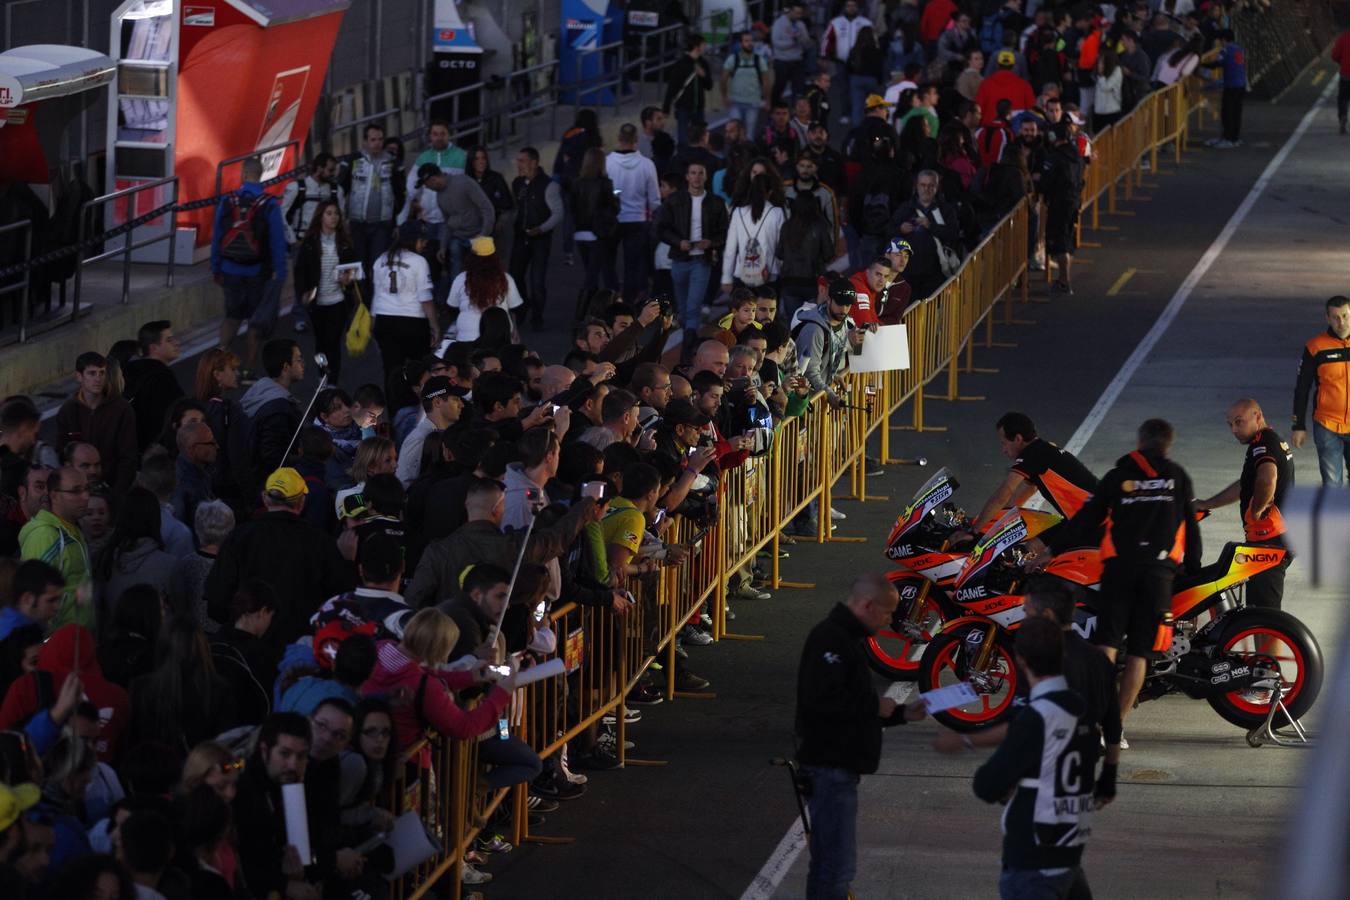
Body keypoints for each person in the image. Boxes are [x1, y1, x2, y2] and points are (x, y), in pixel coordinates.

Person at [1032, 419, 1201, 740]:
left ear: (1140, 442)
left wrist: (1050, 551)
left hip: (1119, 573)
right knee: (1139, 653)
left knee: (1106, 647)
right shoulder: (1177, 477)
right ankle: (1115, 729)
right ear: (1168, 445)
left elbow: (1084, 520)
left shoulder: (1116, 477)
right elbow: (1191, 529)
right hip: (1157, 576)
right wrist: (1192, 569)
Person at [794, 572, 924, 899]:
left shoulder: (844, 640)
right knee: (835, 867)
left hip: (838, 767)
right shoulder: (830, 639)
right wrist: (874, 705)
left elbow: (852, 704)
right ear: (867, 605)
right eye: (887, 612)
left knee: (832, 864)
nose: (890, 620)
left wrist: (901, 713)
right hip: (830, 768)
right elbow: (822, 699)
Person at [972, 617, 1101, 900]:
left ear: (1020, 660)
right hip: (1069, 847)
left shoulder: (1035, 716)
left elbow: (987, 784)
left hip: (1034, 857)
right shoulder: (1080, 709)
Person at [205, 467, 355, 653]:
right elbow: (341, 598)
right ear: (302, 501)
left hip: (249, 651)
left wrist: (243, 626)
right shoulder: (321, 544)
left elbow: (216, 601)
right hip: (300, 651)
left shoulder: (239, 538)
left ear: (265, 498)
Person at [361, 608, 515, 751]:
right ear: (441, 650)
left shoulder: (380, 648)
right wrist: (502, 694)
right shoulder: (425, 685)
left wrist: (470, 676)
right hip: (408, 762)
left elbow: (418, 673)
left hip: (368, 747)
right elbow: (463, 726)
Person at [1196, 399, 1294, 609]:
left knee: (1265, 620)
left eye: (1239, 422)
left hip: (1269, 541)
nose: (1233, 429)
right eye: (1230, 424)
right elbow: (1245, 485)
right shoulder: (1269, 441)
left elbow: (1268, 478)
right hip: (1274, 539)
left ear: (1257, 416)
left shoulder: (1263, 443)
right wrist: (1208, 503)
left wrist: (1257, 509)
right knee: (1257, 615)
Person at [211, 157, 289, 373]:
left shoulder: (228, 201)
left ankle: (217, 367)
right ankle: (249, 370)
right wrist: (280, 273)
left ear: (243, 175)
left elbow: (217, 235)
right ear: (261, 174)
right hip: (257, 272)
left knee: (232, 317)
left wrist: (216, 267)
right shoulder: (270, 204)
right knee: (255, 322)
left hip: (229, 269)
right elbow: (277, 242)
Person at [232, 712, 316, 900]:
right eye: (285, 754)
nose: (293, 765)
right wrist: (282, 883)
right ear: (264, 751)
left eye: (301, 756)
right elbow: (246, 860)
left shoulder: (298, 783)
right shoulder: (244, 791)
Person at [969, 413, 1098, 533]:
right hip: (1088, 514)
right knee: (1032, 545)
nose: (1003, 450)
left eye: (1004, 443)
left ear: (1018, 439)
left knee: (1035, 550)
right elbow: (1025, 492)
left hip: (1091, 520)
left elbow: (1005, 492)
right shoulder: (1042, 449)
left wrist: (974, 530)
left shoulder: (1031, 455)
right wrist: (995, 522)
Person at [656, 161, 729, 348]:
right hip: (680, 258)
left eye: (700, 173)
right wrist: (679, 242)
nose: (696, 177)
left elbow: (724, 231)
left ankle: (688, 343)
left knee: (693, 305)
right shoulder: (674, 201)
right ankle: (687, 333)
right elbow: (662, 228)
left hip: (702, 259)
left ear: (705, 176)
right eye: (693, 173)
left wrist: (710, 243)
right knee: (682, 306)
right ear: (687, 177)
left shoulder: (716, 203)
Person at [293, 199, 360, 384]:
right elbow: (300, 271)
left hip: (338, 301)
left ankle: (332, 381)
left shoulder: (344, 242)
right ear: (321, 216)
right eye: (329, 213)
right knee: (320, 344)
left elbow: (354, 269)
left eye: (336, 214)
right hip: (317, 302)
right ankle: (322, 373)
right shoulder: (310, 243)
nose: (333, 217)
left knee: (333, 343)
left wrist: (349, 278)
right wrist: (303, 293)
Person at [55, 352, 137, 497]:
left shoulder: (121, 409)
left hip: (111, 489)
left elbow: (128, 456)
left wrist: (117, 494)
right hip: (78, 491)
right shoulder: (68, 410)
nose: (98, 379)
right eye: (92, 373)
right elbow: (62, 454)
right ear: (79, 376)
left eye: (101, 373)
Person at [19, 466, 91, 630]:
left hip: (77, 643)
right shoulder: (45, 536)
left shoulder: (74, 531)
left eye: (87, 489)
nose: (86, 496)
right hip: (59, 648)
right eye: (75, 491)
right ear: (54, 496)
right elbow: (34, 604)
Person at [93, 486, 176, 621]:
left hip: (114, 638)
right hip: (155, 638)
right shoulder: (169, 565)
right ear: (155, 518)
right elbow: (180, 609)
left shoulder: (104, 560)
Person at [1291, 295, 1350, 485]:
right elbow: (1302, 388)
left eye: (1345, 316)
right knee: (1332, 485)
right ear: (1327, 318)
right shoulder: (1315, 347)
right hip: (1327, 425)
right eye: (1335, 317)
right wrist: (1298, 425)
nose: (1341, 322)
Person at [342, 122, 405, 287]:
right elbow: (340, 190)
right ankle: (360, 305)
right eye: (373, 139)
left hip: (382, 224)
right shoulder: (353, 160)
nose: (377, 143)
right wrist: (343, 218)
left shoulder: (393, 162)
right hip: (357, 223)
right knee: (358, 265)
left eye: (380, 139)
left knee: (378, 266)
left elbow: (401, 193)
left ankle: (376, 306)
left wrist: (394, 218)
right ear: (364, 141)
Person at [370, 233, 438, 383]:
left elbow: (377, 294)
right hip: (413, 322)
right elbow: (425, 297)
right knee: (419, 369)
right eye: (422, 239)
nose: (424, 244)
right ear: (413, 240)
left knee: (391, 370)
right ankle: (420, 404)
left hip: (385, 320)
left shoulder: (381, 259)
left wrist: (373, 321)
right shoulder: (419, 261)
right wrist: (434, 325)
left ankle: (395, 404)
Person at [509, 147, 564, 328]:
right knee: (515, 275)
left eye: (522, 161)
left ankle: (537, 316)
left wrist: (541, 229)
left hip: (540, 238)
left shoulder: (549, 185)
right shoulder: (517, 183)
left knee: (537, 279)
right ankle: (523, 306)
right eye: (518, 161)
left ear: (534, 162)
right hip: (520, 236)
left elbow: (557, 213)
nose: (518, 165)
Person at [239, 339, 306, 487]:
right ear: (285, 367)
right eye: (299, 359)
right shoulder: (278, 409)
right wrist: (306, 459)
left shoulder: (259, 392)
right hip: (276, 485)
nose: (303, 364)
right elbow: (275, 457)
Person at [606, 124, 662, 302]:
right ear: (636, 140)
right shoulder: (647, 164)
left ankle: (611, 294)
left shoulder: (607, 162)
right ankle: (629, 300)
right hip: (638, 218)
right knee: (632, 264)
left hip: (612, 219)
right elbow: (654, 198)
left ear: (619, 139)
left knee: (608, 260)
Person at [194, 350, 249, 506]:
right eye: (232, 369)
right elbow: (239, 456)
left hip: (205, 487)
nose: (236, 373)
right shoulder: (229, 410)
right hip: (230, 490)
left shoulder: (193, 408)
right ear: (217, 375)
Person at [569, 147, 620, 312]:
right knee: (594, 276)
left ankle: (587, 310)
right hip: (598, 234)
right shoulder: (605, 184)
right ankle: (584, 312)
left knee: (591, 273)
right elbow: (613, 209)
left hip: (580, 234)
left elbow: (572, 208)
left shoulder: (576, 183)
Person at [446, 236, 524, 344]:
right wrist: (514, 329)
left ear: (471, 257)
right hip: (499, 338)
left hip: (467, 338)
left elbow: (452, 307)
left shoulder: (461, 279)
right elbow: (515, 308)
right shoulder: (505, 278)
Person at [122, 321, 183, 453]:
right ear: (154, 348)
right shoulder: (163, 377)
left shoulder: (126, 372)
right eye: (169, 340)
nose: (176, 343)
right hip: (155, 452)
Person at [1039, 123, 1085, 294]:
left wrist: (1039, 185)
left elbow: (1046, 183)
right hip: (1074, 201)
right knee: (1068, 238)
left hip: (1059, 203)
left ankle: (1065, 280)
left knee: (1060, 242)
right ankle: (1063, 279)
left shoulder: (1055, 157)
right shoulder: (1077, 156)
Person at [394, 376, 463, 487]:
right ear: (437, 402)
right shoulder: (419, 438)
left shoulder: (450, 433)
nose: (461, 405)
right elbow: (404, 482)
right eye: (455, 399)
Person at [1202, 28, 1247, 148]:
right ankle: (1234, 138)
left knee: (1227, 112)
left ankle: (1227, 138)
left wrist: (1201, 63)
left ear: (1223, 39)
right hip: (1241, 84)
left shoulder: (1226, 50)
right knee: (1236, 112)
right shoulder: (1239, 49)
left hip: (1231, 85)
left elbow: (1217, 64)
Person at [723, 31, 773, 138]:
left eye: (751, 41)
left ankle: (747, 154)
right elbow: (723, 79)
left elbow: (766, 81)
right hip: (735, 103)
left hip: (753, 104)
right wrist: (725, 96)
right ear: (740, 43)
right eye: (746, 41)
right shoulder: (732, 59)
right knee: (734, 133)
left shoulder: (759, 60)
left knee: (749, 135)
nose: (750, 43)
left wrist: (767, 100)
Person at [663, 34, 712, 143]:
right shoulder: (681, 64)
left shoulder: (703, 63)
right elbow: (672, 87)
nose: (705, 47)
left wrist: (703, 75)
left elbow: (709, 86)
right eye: (703, 45)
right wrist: (666, 107)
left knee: (700, 138)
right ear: (696, 47)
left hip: (699, 107)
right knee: (683, 138)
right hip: (683, 107)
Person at [0, 560, 63, 642]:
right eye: (51, 600)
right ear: (27, 599)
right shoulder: (13, 637)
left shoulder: (30, 624)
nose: (57, 607)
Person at [172, 420, 216, 531]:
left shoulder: (201, 473)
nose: (217, 446)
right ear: (193, 449)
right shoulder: (182, 483)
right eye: (211, 443)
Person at [771, 4, 812, 105]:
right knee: (779, 86)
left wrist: (803, 40)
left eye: (800, 14)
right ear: (790, 11)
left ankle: (796, 112)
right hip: (782, 60)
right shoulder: (779, 23)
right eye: (797, 13)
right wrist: (792, 42)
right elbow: (776, 43)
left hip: (797, 60)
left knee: (799, 89)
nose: (799, 16)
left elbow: (807, 43)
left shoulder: (801, 25)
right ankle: (774, 109)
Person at [1334, 26, 1350, 135]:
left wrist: (1342, 62)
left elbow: (1335, 55)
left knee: (1343, 98)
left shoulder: (1344, 36)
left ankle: (1343, 116)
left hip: (1346, 73)